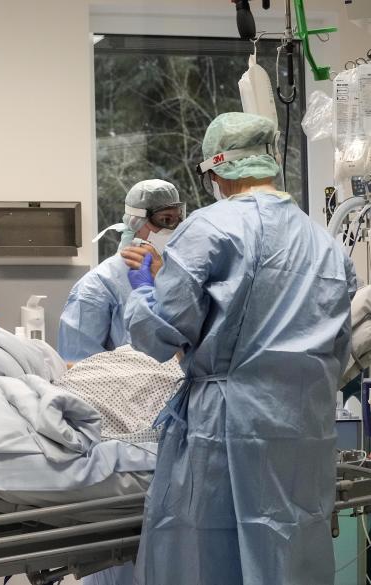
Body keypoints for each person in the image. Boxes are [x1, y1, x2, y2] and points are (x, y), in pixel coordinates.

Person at [121, 112, 356, 585]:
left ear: (216, 170)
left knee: (207, 559)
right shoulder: (324, 244)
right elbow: (339, 350)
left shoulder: (211, 228)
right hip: (304, 434)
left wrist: (144, 286)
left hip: (226, 431)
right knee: (291, 559)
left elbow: (159, 333)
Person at [57, 179, 184, 362]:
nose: (174, 228)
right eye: (165, 220)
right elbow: (78, 366)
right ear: (136, 222)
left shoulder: (182, 274)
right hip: (123, 389)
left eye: (178, 218)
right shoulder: (98, 285)